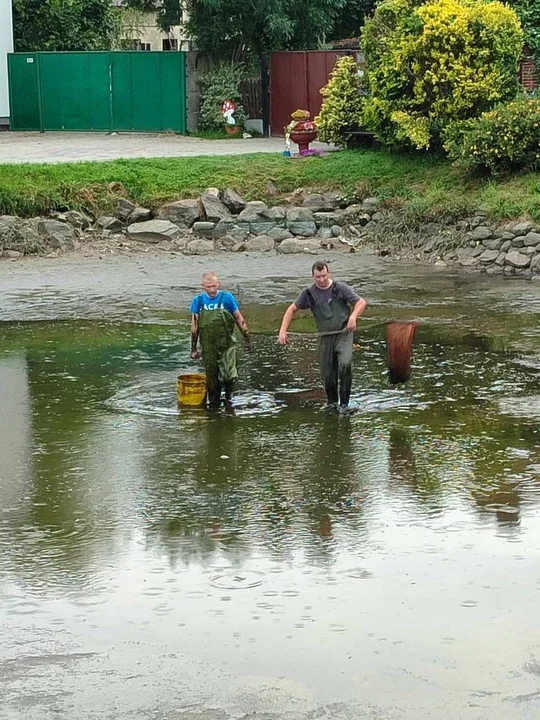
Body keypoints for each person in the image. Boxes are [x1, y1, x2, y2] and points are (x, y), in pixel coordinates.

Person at [278, 261, 367, 408]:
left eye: (323, 276)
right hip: (325, 337)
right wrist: (282, 331)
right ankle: (332, 404)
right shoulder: (308, 293)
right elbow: (291, 309)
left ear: (329, 273)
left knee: (345, 364)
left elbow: (361, 302)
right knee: (328, 377)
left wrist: (353, 317)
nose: (321, 280)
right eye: (317, 277)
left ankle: (345, 405)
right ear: (313, 276)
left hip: (344, 333)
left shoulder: (340, 289)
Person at [190, 271, 251, 409]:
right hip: (208, 347)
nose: (212, 290)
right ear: (202, 286)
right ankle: (214, 406)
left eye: (214, 286)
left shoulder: (227, 298)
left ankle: (229, 400)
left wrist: (247, 338)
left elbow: (239, 318)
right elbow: (194, 326)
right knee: (212, 380)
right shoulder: (198, 302)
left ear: (218, 284)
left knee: (229, 375)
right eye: (208, 287)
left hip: (227, 344)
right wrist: (193, 348)